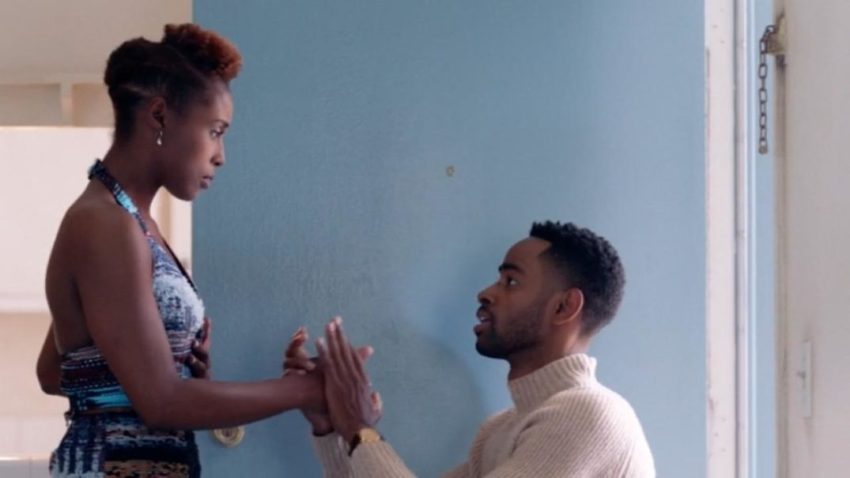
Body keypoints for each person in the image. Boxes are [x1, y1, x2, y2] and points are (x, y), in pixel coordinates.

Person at [37, 23, 324, 478]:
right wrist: (308, 390)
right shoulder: (105, 224)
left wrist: (181, 371)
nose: (220, 154)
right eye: (215, 131)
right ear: (160, 116)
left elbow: (55, 371)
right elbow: (161, 402)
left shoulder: (129, 220)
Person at [287, 221, 656, 477]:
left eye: (511, 281)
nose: (486, 293)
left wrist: (358, 427)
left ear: (564, 307)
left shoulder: (589, 414)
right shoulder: (500, 430)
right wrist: (333, 427)